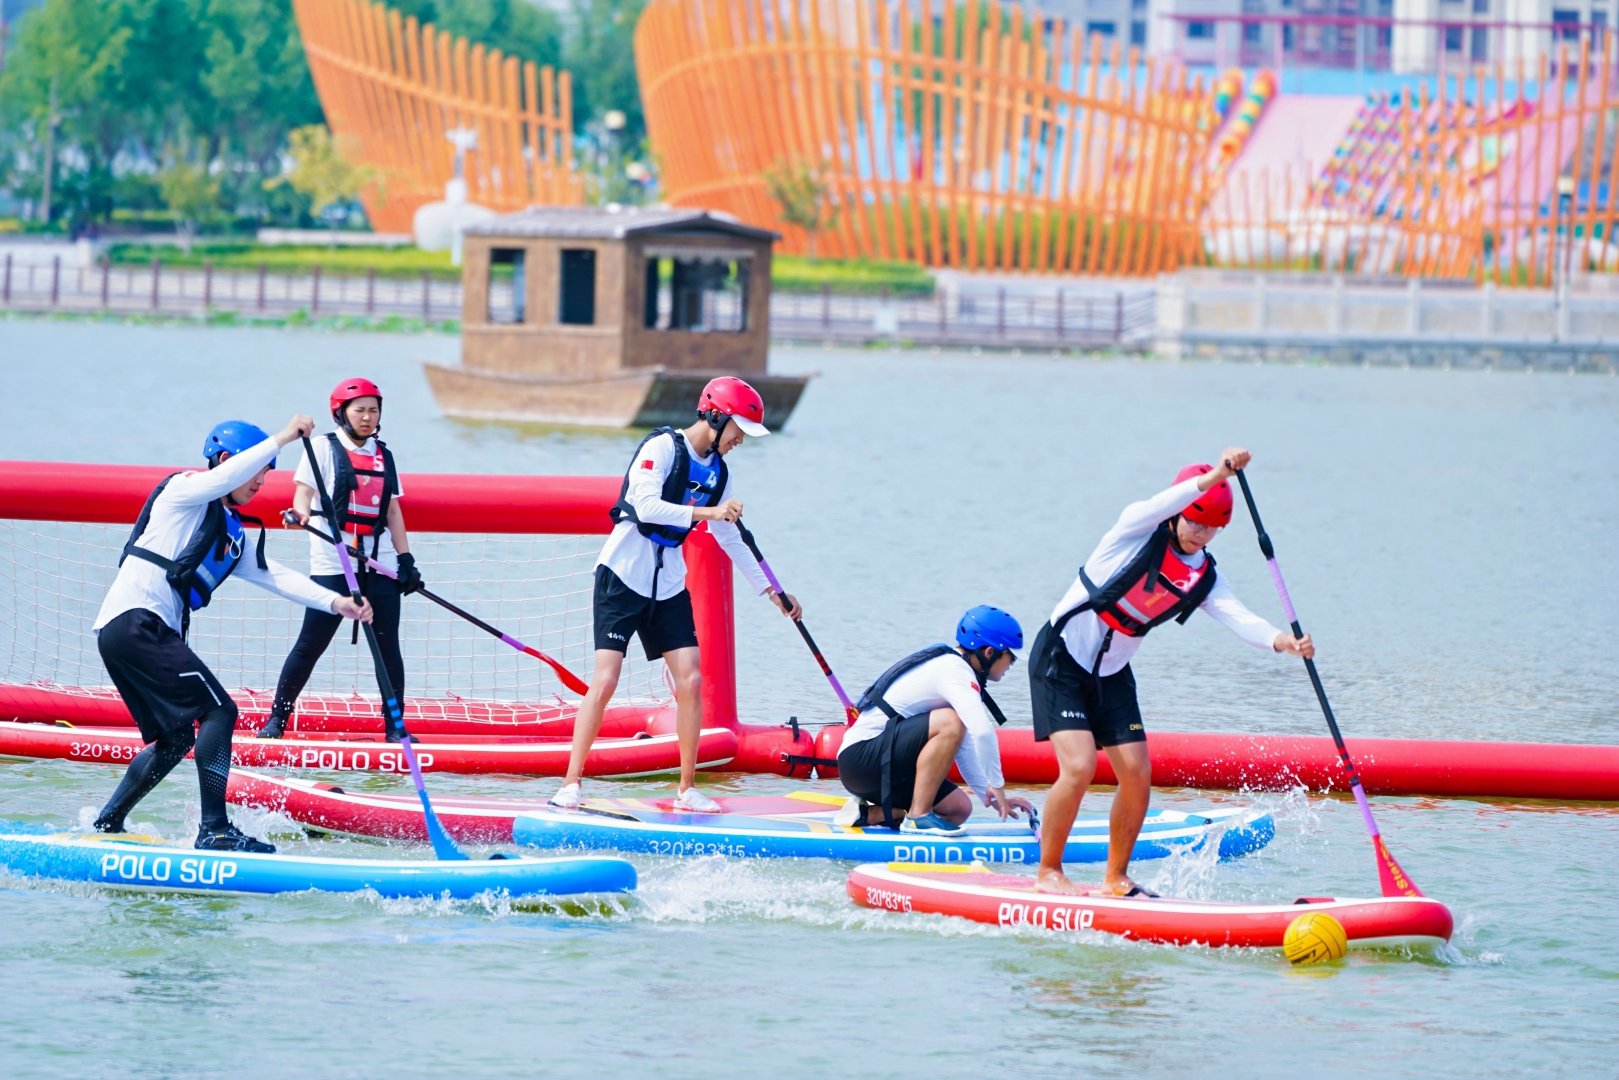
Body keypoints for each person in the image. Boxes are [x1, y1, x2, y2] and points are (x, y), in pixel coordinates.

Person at [1029, 449, 1314, 897]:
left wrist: (1283, 641)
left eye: (1212, 528)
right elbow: (1162, 502)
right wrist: (1217, 475)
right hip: (1061, 659)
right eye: (1195, 521)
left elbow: (1238, 616)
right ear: (1177, 513)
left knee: (1137, 774)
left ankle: (1115, 878)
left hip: (1113, 674)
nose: (1201, 534)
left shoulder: (1204, 578)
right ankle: (1048, 871)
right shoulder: (1133, 530)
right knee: (1080, 766)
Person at [92, 416, 372, 853]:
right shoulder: (183, 491)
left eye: (266, 474)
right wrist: (285, 436)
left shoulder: (230, 530)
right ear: (226, 460)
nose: (261, 482)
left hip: (129, 632)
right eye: (257, 471)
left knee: (177, 738)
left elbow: (274, 576)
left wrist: (336, 603)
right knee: (220, 711)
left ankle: (108, 823)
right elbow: (222, 479)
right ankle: (215, 830)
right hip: (136, 622)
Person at [549, 377, 801, 813]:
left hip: (667, 582)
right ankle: (570, 784)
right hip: (622, 574)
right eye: (738, 429)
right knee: (606, 680)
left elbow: (731, 537)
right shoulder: (662, 448)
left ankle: (686, 790)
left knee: (692, 678)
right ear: (715, 417)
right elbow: (647, 506)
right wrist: (709, 511)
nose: (740, 440)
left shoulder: (720, 473)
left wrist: (772, 591)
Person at [259, 378, 422, 741]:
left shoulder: (384, 455)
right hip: (334, 563)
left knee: (388, 649)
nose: (367, 417)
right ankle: (277, 721)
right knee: (310, 644)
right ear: (341, 413)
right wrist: (299, 515)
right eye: (359, 410)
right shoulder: (320, 448)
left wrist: (406, 560)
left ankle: (395, 728)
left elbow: (392, 511)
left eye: (373, 411)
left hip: (378, 564)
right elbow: (302, 496)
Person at [836, 605, 1036, 834]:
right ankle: (918, 816)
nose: (1011, 665)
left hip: (880, 765)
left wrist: (989, 796)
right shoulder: (954, 671)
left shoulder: (958, 671)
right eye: (1011, 658)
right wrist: (999, 786)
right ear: (990, 652)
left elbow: (964, 747)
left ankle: (873, 814)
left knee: (958, 809)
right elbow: (982, 732)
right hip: (861, 761)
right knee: (951, 722)